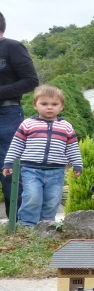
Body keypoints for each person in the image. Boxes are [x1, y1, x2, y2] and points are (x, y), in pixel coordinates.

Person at [2, 85, 82, 227]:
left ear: (61, 106)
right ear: (35, 105)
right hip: (31, 170)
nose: (49, 107)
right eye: (44, 104)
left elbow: (72, 147)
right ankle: (27, 225)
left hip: (56, 171)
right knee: (32, 197)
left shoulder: (66, 127)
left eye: (54, 104)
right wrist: (8, 163)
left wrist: (77, 164)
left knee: (52, 200)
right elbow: (16, 145)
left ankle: (47, 225)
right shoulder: (27, 124)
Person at [0, 11, 39, 218]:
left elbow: (31, 80)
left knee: (10, 170)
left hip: (7, 114)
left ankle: (18, 223)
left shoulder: (12, 47)